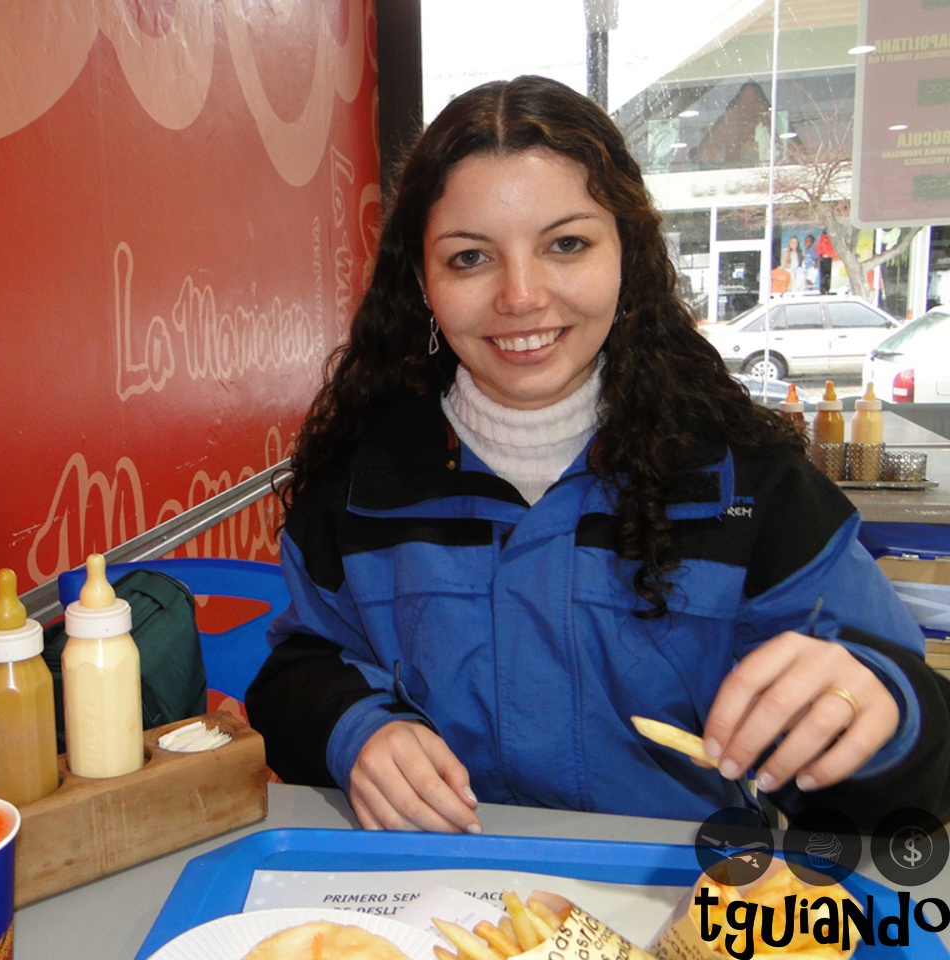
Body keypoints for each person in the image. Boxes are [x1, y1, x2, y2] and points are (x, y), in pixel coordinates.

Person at [246, 75, 950, 833]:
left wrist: (880, 714)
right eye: (470, 257)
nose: (521, 296)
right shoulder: (360, 483)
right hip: (431, 887)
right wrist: (355, 731)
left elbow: (907, 789)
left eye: (567, 244)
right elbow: (299, 669)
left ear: (627, 255)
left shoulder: (750, 484)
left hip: (680, 890)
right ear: (422, 280)